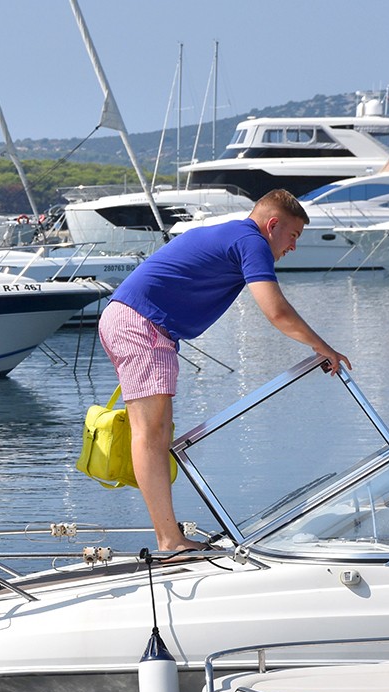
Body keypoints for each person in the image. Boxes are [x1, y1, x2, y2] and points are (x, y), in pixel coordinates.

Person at [99, 189, 351, 555]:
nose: (293, 246)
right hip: (141, 325)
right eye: (294, 236)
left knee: (157, 431)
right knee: (151, 434)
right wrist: (323, 347)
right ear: (274, 224)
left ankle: (170, 536)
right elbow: (275, 310)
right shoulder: (252, 241)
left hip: (135, 321)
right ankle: (170, 540)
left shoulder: (235, 235)